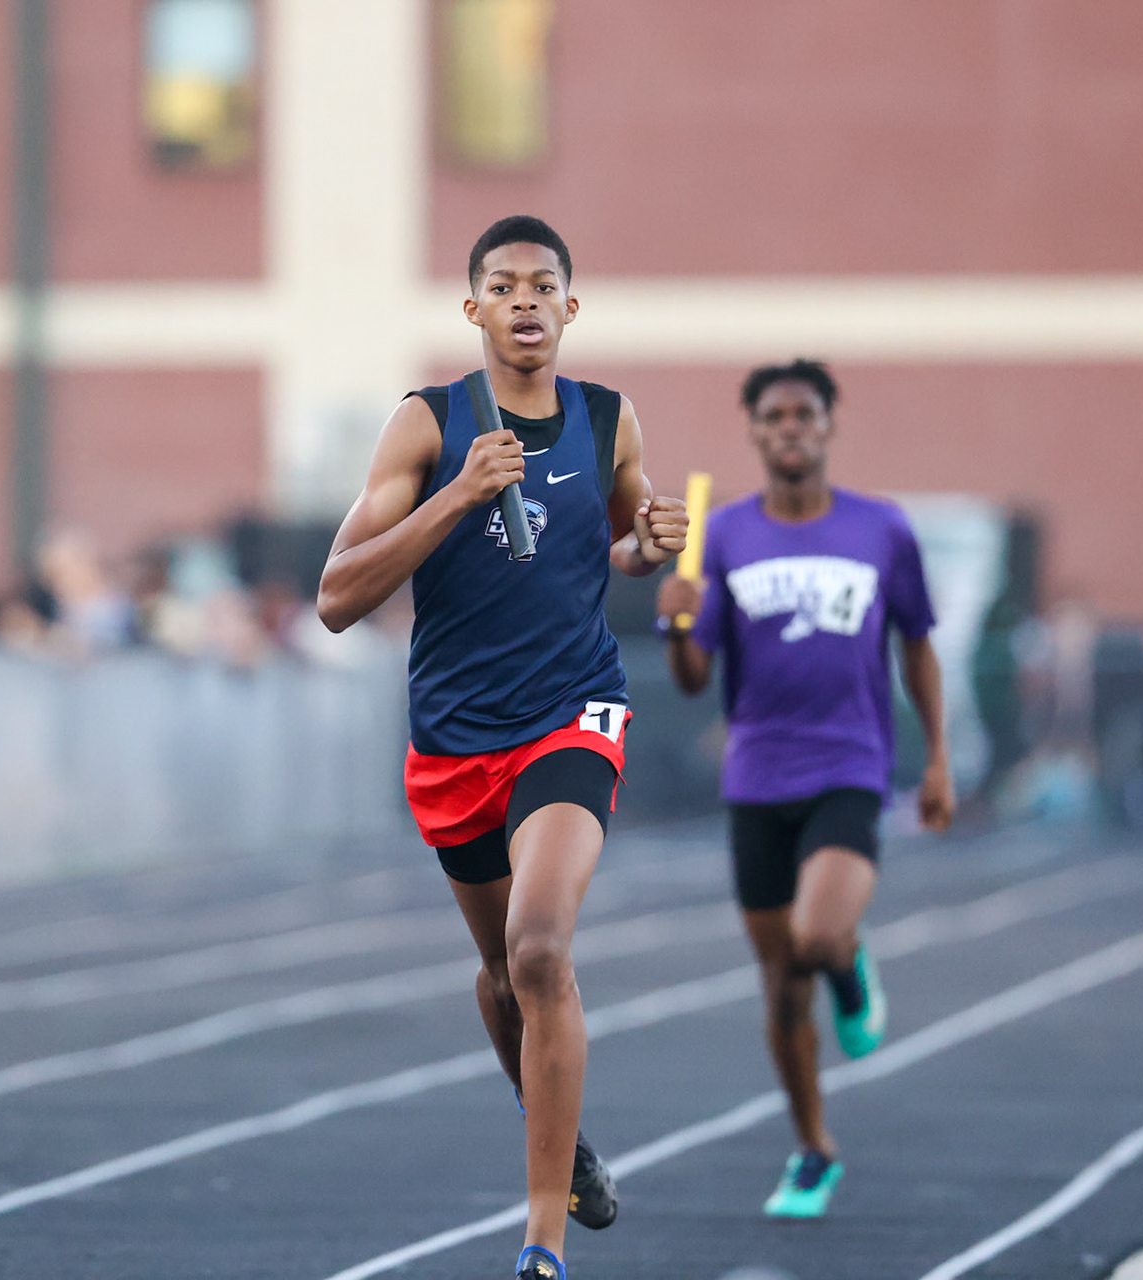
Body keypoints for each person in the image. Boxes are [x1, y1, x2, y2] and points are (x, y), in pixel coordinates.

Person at [317, 215, 687, 1280]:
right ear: (472, 308)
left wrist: (646, 549)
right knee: (498, 976)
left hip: (573, 714)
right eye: (503, 285)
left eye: (544, 285)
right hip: (454, 737)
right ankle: (558, 1129)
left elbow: (615, 543)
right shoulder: (427, 425)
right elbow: (339, 597)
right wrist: (457, 496)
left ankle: (541, 1241)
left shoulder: (608, 418)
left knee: (537, 948)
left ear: (571, 308)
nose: (525, 301)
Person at [655, 358, 952, 1219]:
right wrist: (676, 616)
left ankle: (851, 966)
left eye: (804, 413)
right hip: (756, 777)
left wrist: (936, 760)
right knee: (782, 984)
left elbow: (919, 645)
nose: (790, 428)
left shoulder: (881, 529)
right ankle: (813, 1148)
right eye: (774, 416)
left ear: (828, 424)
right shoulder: (725, 535)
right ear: (752, 431)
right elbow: (690, 676)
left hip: (851, 764)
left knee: (818, 938)